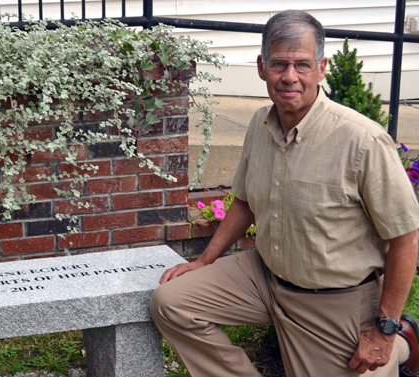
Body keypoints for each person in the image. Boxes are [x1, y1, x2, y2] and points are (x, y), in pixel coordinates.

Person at [149, 9, 419, 377]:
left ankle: (402, 345)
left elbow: (406, 238)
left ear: (322, 67)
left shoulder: (362, 141)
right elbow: (243, 201)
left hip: (334, 300)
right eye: (279, 64)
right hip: (264, 276)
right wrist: (203, 261)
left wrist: (384, 331)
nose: (289, 77)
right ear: (262, 67)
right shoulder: (260, 124)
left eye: (302, 65)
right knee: (171, 302)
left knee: (374, 360)